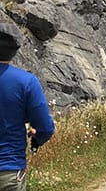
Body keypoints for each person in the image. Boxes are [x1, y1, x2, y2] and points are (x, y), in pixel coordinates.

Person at [0, 23, 55, 190]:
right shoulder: (26, 82)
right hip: (9, 168)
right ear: (16, 49)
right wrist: (36, 139)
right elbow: (45, 127)